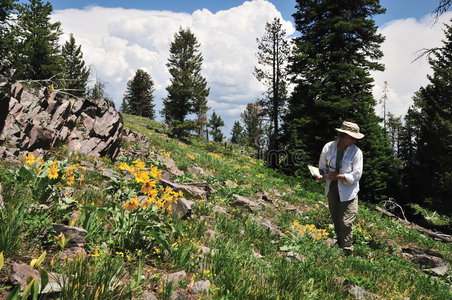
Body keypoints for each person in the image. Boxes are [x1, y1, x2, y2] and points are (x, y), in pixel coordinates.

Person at [316, 121, 364, 255]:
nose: (354, 140)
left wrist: (340, 177)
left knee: (346, 220)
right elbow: (323, 167)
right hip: (332, 188)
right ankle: (339, 246)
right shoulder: (329, 147)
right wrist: (321, 176)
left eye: (355, 137)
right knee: (336, 218)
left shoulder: (356, 152)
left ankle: (347, 249)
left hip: (349, 190)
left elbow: (357, 174)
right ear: (343, 135)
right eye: (352, 137)